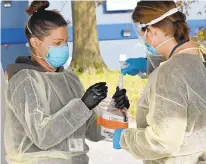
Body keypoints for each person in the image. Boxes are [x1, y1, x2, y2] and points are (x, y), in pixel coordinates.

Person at [4, 1, 129, 164]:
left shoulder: (69, 79)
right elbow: (43, 137)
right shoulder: (25, 81)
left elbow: (92, 130)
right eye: (57, 43)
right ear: (35, 43)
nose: (64, 48)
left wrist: (116, 111)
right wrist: (83, 105)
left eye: (65, 42)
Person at [113, 1, 206, 164]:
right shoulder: (200, 55)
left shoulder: (168, 74)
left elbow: (162, 141)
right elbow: (184, 76)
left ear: (151, 31)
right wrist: (148, 66)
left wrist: (125, 138)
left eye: (142, 33)